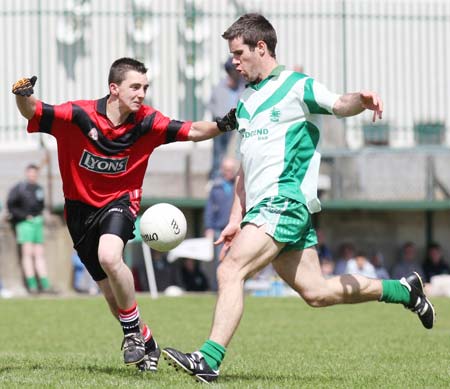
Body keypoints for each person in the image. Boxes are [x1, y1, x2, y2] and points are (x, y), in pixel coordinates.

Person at [162, 14, 436, 383]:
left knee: (230, 270)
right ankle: (404, 291)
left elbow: (339, 103)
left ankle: (208, 360)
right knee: (317, 292)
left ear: (262, 47)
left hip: (285, 202)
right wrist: (234, 218)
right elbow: (246, 167)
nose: (234, 63)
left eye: (239, 54)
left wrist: (362, 99)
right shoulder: (246, 102)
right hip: (266, 208)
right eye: (231, 56)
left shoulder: (296, 85)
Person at [11, 57, 236, 372]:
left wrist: (224, 124)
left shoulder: (148, 122)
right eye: (135, 86)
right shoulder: (78, 115)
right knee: (111, 297)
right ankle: (147, 340)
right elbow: (34, 110)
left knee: (109, 255)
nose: (142, 93)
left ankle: (131, 334)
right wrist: (23, 94)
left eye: (145, 87)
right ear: (113, 89)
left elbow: (194, 130)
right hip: (79, 211)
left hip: (121, 202)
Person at [6, 164, 54, 294]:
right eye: (31, 173)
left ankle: (45, 285)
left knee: (39, 254)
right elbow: (11, 205)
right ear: (27, 173)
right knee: (27, 254)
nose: (33, 176)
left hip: (38, 223)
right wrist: (24, 216)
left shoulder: (39, 188)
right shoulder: (19, 188)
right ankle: (32, 285)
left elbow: (41, 205)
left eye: (35, 174)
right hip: (24, 224)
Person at [203, 157, 238, 291]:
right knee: (220, 259)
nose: (229, 172)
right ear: (222, 170)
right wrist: (209, 227)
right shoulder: (216, 187)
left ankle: (235, 287)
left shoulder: (239, 185)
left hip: (236, 229)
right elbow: (210, 209)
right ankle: (219, 288)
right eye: (226, 170)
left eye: (231, 170)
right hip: (220, 229)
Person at [207, 58, 245, 179]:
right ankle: (217, 179)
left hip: (235, 127)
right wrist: (220, 121)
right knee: (218, 153)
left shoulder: (242, 86)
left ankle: (231, 177)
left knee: (233, 153)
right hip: (220, 125)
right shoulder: (220, 86)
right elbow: (212, 105)